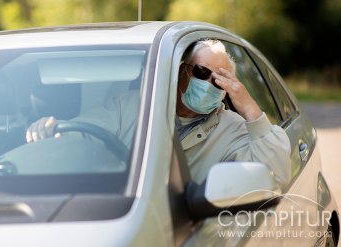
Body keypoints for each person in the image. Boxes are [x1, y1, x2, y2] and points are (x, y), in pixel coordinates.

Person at [26, 39, 291, 188]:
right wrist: (52, 130)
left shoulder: (235, 128)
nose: (210, 83)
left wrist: (251, 110)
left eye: (220, 80)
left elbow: (278, 173)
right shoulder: (130, 105)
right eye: (202, 73)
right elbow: (84, 134)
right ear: (180, 71)